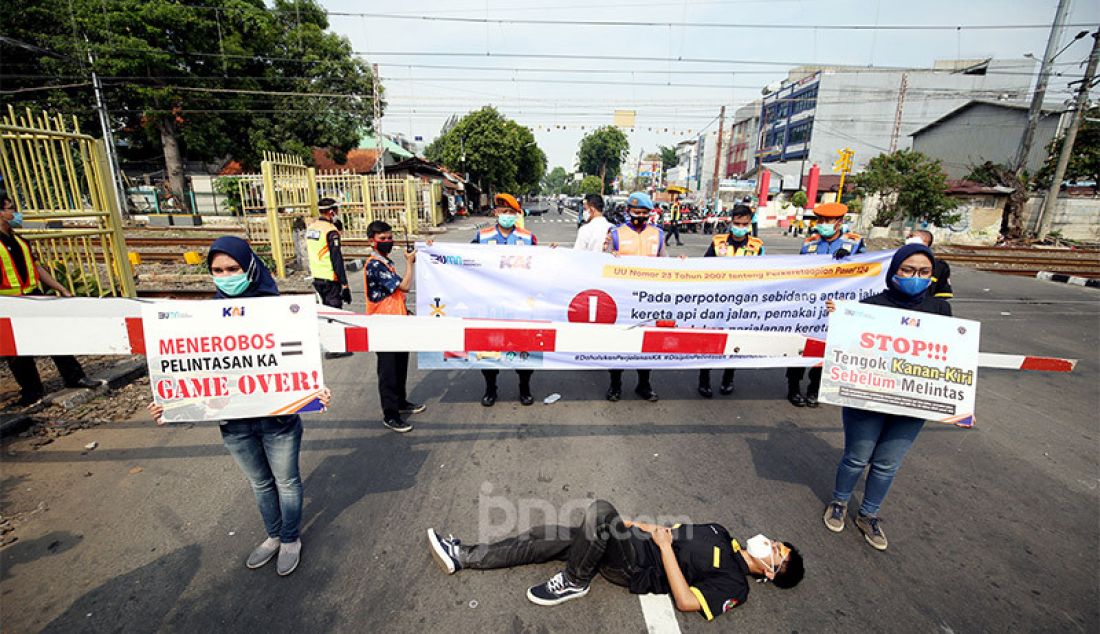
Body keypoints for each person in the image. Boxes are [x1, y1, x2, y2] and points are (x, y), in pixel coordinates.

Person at [148, 236, 332, 576]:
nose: (225, 275)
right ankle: (274, 535)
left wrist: (314, 390)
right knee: (260, 484)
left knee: (287, 482)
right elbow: (191, 368)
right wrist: (169, 402)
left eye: (232, 268)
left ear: (248, 267)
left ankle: (291, 539)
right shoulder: (202, 320)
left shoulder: (279, 312)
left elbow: (298, 362)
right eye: (217, 270)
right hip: (234, 423)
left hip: (278, 419)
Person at [426, 498, 803, 619]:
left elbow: (688, 602)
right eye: (776, 541)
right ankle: (462, 555)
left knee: (600, 510)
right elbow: (667, 531)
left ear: (771, 571)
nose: (769, 542)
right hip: (632, 541)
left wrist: (666, 550)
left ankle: (576, 580)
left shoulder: (737, 585)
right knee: (544, 536)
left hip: (635, 567)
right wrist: (636, 524)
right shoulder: (720, 531)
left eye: (776, 550)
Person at [821, 243, 951, 551]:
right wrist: (840, 319)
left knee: (887, 464)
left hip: (912, 401)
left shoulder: (940, 309)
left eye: (924, 272)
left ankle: (868, 514)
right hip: (868, 397)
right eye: (908, 270)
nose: (915, 277)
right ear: (894, 271)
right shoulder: (870, 305)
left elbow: (947, 354)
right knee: (856, 456)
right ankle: (839, 502)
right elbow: (849, 346)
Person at [1, 192, 102, 407]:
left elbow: (36, 267)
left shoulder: (18, 239)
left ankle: (74, 377)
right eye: (10, 208)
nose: (14, 212)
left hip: (33, 296)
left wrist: (60, 288)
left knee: (54, 336)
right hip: (8, 303)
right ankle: (31, 392)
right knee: (17, 352)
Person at [786, 201, 864, 408]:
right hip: (809, 305)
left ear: (839, 222)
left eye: (827, 220)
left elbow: (868, 272)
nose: (823, 224)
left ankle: (814, 388)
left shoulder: (853, 243)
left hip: (836, 305)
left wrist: (851, 261)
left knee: (827, 348)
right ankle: (793, 387)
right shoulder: (809, 243)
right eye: (820, 220)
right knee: (800, 347)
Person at [472, 193, 537, 407]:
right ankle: (491, 389)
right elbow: (463, 259)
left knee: (523, 346)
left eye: (510, 212)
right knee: (489, 347)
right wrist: (433, 250)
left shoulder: (528, 238)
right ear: (496, 213)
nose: (506, 215)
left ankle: (525, 388)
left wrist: (552, 252)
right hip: (491, 304)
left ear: (517, 214)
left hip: (520, 304)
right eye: (502, 211)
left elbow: (541, 265)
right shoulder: (482, 237)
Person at [697, 205, 764, 399]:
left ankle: (728, 378)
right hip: (716, 300)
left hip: (741, 303)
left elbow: (766, 273)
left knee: (735, 341)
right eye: (737, 223)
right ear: (731, 222)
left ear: (750, 224)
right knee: (710, 342)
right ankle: (704, 379)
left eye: (744, 224)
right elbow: (703, 267)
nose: (740, 227)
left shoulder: (757, 246)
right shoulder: (718, 243)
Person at [365, 220, 425, 433]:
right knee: (388, 371)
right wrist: (410, 263)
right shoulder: (375, 265)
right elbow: (405, 286)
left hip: (397, 321)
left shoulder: (385, 262)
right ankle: (390, 414)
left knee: (400, 365)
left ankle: (401, 402)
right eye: (382, 239)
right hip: (383, 325)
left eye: (389, 238)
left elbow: (395, 293)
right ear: (372, 241)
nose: (387, 241)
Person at [605, 192, 664, 402]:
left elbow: (666, 264)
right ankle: (615, 385)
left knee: (646, 344)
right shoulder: (615, 233)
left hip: (648, 299)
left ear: (650, 213)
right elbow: (600, 265)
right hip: (621, 298)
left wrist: (680, 263)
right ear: (628, 211)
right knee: (618, 342)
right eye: (635, 211)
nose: (639, 215)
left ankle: (644, 384)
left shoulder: (658, 234)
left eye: (643, 212)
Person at [306, 198, 352, 359]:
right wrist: (344, 284)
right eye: (336, 211)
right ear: (331, 212)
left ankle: (330, 344)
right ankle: (334, 348)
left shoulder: (312, 228)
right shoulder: (330, 231)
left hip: (317, 275)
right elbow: (336, 259)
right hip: (330, 276)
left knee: (326, 311)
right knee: (334, 311)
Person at [906, 230, 952, 298]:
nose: (907, 238)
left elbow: (943, 293)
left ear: (925, 241)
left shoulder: (939, 266)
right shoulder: (896, 259)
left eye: (911, 236)